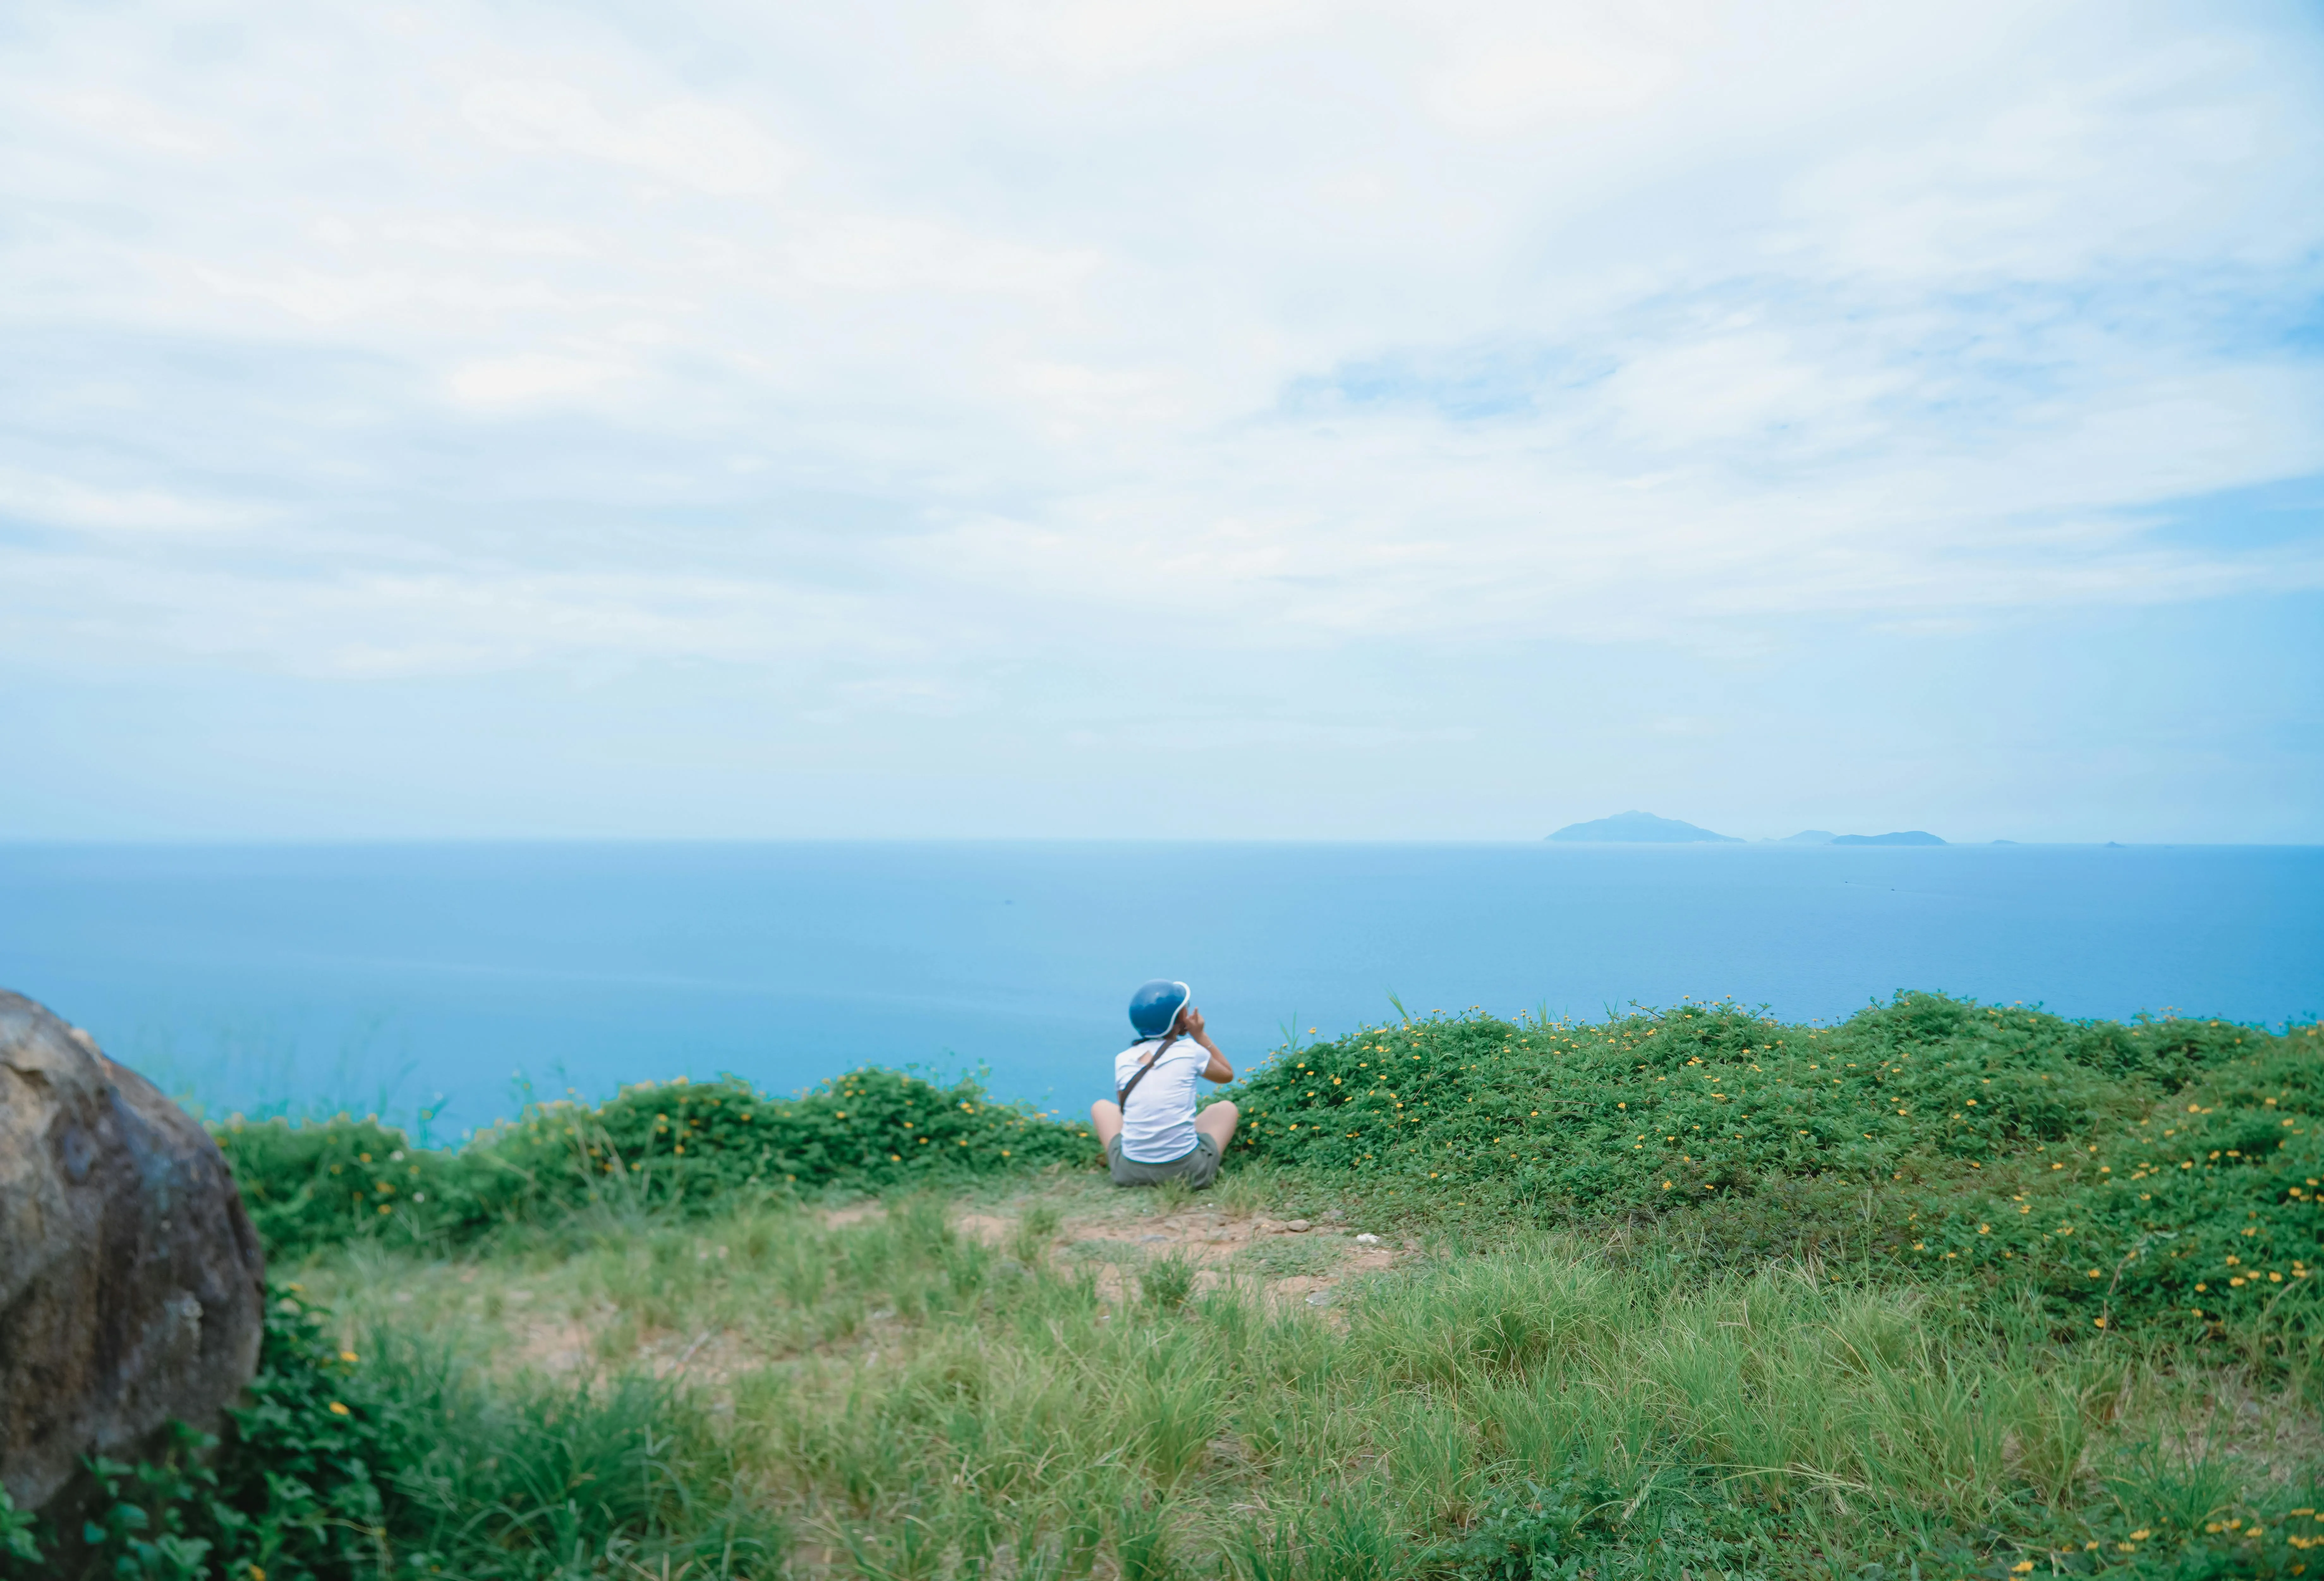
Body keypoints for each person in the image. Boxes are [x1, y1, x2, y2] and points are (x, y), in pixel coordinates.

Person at [1089, 978, 1238, 1188]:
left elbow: (1125, 1109)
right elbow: (1226, 1074)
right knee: (1226, 1109)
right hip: (1188, 1173)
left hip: (1129, 1173)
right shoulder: (1190, 1051)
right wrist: (1200, 1035)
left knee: (1101, 1108)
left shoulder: (1123, 1059)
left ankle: (1140, 1165)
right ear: (1179, 1019)